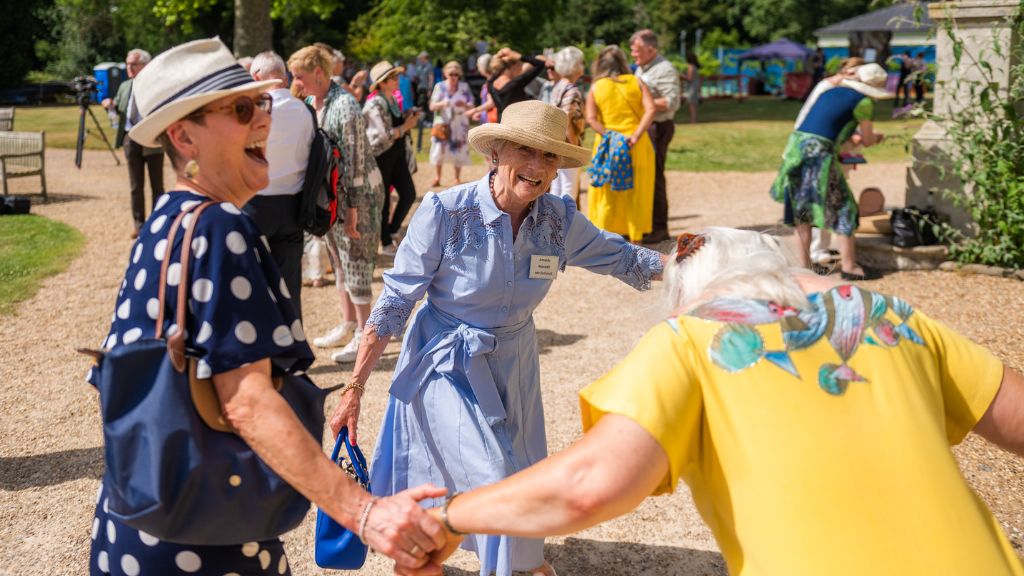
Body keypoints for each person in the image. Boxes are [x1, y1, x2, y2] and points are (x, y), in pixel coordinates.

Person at [415, 226, 1024, 576]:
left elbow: (588, 486)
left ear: (691, 296)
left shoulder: (692, 339)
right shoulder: (891, 316)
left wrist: (447, 518)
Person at [87, 37, 447, 576]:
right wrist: (364, 512)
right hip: (209, 537)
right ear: (184, 136)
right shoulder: (222, 226)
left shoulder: (169, 217)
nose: (264, 119)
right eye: (240, 109)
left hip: (140, 525)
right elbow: (246, 400)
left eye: (263, 104)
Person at [329, 101, 666, 576]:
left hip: (515, 362)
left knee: (519, 479)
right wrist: (354, 389)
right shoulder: (445, 211)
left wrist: (694, 268)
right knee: (494, 473)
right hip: (445, 361)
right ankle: (499, 564)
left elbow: (623, 258)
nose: (537, 167)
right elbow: (396, 301)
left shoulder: (557, 219)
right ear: (497, 152)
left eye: (549, 157)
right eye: (526, 151)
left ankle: (490, 560)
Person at [288, 46, 386, 364]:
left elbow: (356, 158)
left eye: (300, 77)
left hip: (358, 195)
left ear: (319, 72)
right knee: (339, 262)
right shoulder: (312, 102)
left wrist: (354, 207)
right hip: (332, 196)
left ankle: (364, 333)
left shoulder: (346, 105)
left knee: (357, 263)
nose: (297, 83)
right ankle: (347, 324)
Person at [770, 63, 890, 281]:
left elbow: (826, 125)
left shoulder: (831, 92)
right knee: (844, 206)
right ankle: (850, 267)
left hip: (796, 152)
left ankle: (804, 268)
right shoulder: (863, 102)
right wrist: (876, 138)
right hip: (819, 156)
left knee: (802, 211)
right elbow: (868, 139)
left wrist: (850, 137)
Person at [244, 50, 313, 318]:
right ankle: (292, 352)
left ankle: (259, 351)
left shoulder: (252, 111)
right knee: (289, 285)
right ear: (283, 76)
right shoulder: (305, 110)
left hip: (256, 202)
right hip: (293, 205)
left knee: (252, 281)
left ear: (256, 77)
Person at [792, 57, 864, 273]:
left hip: (823, 150)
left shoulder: (844, 92)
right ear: (845, 72)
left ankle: (820, 249)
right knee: (825, 203)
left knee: (823, 202)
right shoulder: (829, 88)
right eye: (853, 72)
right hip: (818, 152)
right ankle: (824, 255)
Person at [585, 45, 656, 243]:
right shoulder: (637, 82)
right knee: (637, 192)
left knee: (606, 193)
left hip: (609, 146)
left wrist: (611, 136)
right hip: (637, 145)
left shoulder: (596, 87)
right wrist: (634, 135)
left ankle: (602, 239)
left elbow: (591, 118)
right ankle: (636, 239)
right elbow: (651, 110)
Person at [101, 48, 165, 239]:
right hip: (130, 138)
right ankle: (139, 226)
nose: (129, 67)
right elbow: (117, 115)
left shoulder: (155, 85)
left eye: (133, 64)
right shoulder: (124, 86)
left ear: (145, 66)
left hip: (152, 137)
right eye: (127, 63)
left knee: (157, 185)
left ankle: (159, 223)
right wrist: (110, 107)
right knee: (135, 186)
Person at [364, 60, 420, 256]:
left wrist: (408, 116)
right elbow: (384, 134)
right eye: (393, 78)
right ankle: (385, 241)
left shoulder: (392, 100)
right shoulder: (374, 103)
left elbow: (395, 124)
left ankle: (393, 230)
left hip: (395, 155)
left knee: (409, 194)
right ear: (382, 82)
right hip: (381, 156)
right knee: (384, 201)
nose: (398, 80)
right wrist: (407, 126)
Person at [630, 29, 681, 244]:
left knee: (655, 177)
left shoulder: (665, 69)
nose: (633, 54)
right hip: (646, 127)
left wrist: (640, 102)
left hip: (658, 128)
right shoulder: (641, 68)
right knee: (643, 177)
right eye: (632, 50)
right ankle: (647, 225)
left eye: (637, 50)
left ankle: (659, 228)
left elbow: (672, 101)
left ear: (651, 49)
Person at [427, 61, 474, 188]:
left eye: (456, 74)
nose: (454, 77)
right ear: (445, 74)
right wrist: (443, 103)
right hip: (443, 123)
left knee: (459, 149)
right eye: (451, 74)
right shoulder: (439, 86)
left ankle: (457, 178)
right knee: (439, 149)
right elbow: (432, 106)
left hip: (460, 122)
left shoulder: (464, 87)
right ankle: (437, 177)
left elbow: (472, 105)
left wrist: (464, 104)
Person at [548, 46, 586, 201]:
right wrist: (574, 146)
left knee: (557, 186)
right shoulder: (572, 89)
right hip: (567, 143)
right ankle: (567, 223)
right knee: (569, 188)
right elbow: (567, 117)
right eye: (581, 63)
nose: (584, 66)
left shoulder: (558, 86)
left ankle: (555, 222)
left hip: (556, 142)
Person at [487, 47, 548, 120]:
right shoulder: (516, 83)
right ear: (514, 66)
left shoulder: (490, 84)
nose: (521, 69)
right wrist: (519, 56)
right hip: (517, 124)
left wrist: (499, 56)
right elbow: (540, 64)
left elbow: (499, 70)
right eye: (520, 65)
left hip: (501, 124)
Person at [683, 50, 701, 125]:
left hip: (692, 87)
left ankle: (693, 121)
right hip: (695, 86)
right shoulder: (695, 67)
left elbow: (689, 78)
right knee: (694, 104)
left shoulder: (690, 67)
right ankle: (693, 120)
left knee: (692, 104)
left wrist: (682, 76)